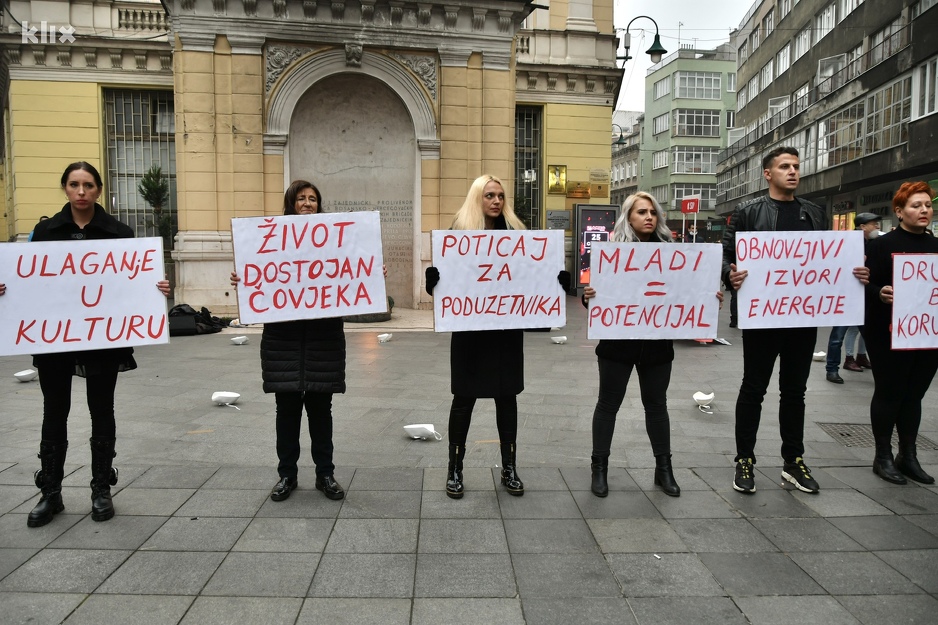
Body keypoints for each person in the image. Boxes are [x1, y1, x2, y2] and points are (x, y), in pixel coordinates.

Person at [0, 162, 171, 527]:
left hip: (102, 341)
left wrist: (157, 290)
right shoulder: (44, 232)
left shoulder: (119, 233)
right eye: (74, 184)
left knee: (101, 409)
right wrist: (6, 289)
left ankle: (100, 489)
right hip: (55, 340)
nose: (81, 191)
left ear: (98, 190)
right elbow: (26, 281)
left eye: (88, 185)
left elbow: (134, 281)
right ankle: (51, 492)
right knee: (54, 411)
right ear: (64, 188)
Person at [722, 146, 868, 494]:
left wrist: (855, 274)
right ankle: (745, 460)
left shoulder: (815, 214)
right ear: (767, 174)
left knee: (795, 392)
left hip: (802, 320)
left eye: (796, 166)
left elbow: (828, 262)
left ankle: (793, 461)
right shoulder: (748, 212)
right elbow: (726, 255)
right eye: (784, 166)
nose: (793, 171)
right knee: (753, 388)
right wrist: (730, 275)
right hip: (763, 319)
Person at [425, 174, 568, 499]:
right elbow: (445, 283)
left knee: (507, 399)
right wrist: (432, 281)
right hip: (470, 335)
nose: (496, 201)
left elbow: (534, 276)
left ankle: (509, 468)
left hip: (505, 333)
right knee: (463, 399)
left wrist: (557, 282)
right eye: (489, 195)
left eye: (501, 195)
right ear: (478, 198)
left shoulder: (518, 235)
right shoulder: (459, 234)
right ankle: (455, 469)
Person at [583, 192, 722, 498]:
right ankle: (600, 468)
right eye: (641, 212)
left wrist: (709, 300)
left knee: (657, 406)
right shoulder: (613, 254)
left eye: (653, 212)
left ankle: (664, 469)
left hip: (657, 345)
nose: (649, 217)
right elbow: (597, 295)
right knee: (608, 405)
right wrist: (589, 296)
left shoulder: (673, 255)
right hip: (618, 344)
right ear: (628, 218)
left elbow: (687, 292)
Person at [230, 180, 358, 502]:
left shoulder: (335, 244)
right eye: (301, 198)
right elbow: (260, 278)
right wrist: (243, 278)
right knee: (286, 413)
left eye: (313, 199)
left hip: (322, 341)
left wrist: (368, 273)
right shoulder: (269, 243)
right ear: (290, 204)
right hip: (283, 341)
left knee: (321, 412)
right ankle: (287, 475)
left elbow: (353, 272)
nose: (307, 204)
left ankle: (325, 474)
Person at [864, 182, 938, 485]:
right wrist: (880, 292)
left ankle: (908, 455)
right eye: (915, 205)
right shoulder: (881, 245)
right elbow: (863, 285)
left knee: (914, 395)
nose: (923, 210)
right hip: (887, 333)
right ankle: (883, 456)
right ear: (899, 211)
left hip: (927, 333)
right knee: (890, 392)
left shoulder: (936, 246)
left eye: (927, 205)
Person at [825, 213, 880, 383]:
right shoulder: (847, 244)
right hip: (847, 298)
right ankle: (832, 369)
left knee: (871, 336)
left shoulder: (876, 245)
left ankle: (881, 371)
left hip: (866, 298)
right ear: (863, 227)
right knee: (837, 337)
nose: (877, 227)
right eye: (873, 224)